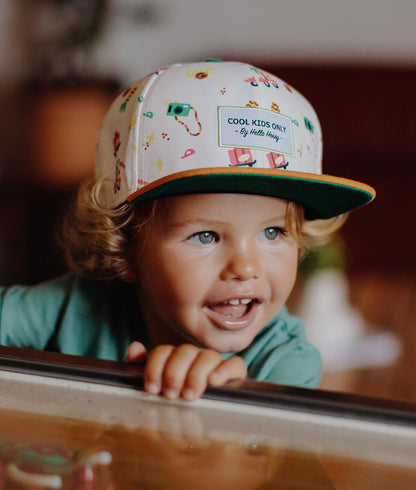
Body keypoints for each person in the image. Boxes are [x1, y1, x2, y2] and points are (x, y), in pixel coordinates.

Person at [0, 60, 375, 401]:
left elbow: (266, 471)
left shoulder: (284, 362)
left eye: (273, 232)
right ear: (125, 247)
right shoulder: (75, 306)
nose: (246, 267)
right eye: (206, 236)